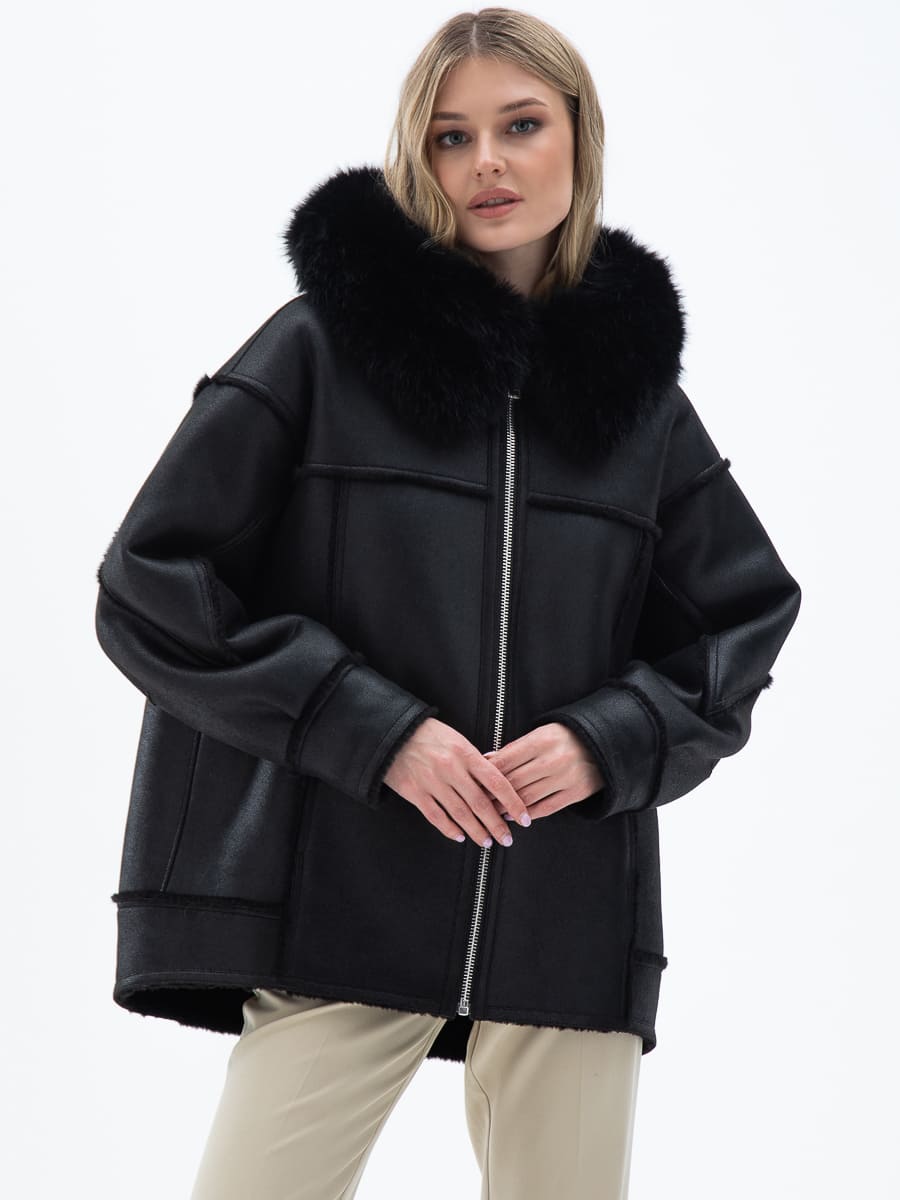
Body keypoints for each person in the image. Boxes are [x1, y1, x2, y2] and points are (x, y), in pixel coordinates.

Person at [94, 9, 802, 1200]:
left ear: (578, 137)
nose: (487, 164)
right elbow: (151, 584)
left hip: (567, 913)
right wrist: (375, 731)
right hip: (339, 893)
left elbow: (745, 616)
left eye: (520, 126)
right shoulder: (318, 351)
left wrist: (607, 740)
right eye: (449, 136)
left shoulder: (639, 406)